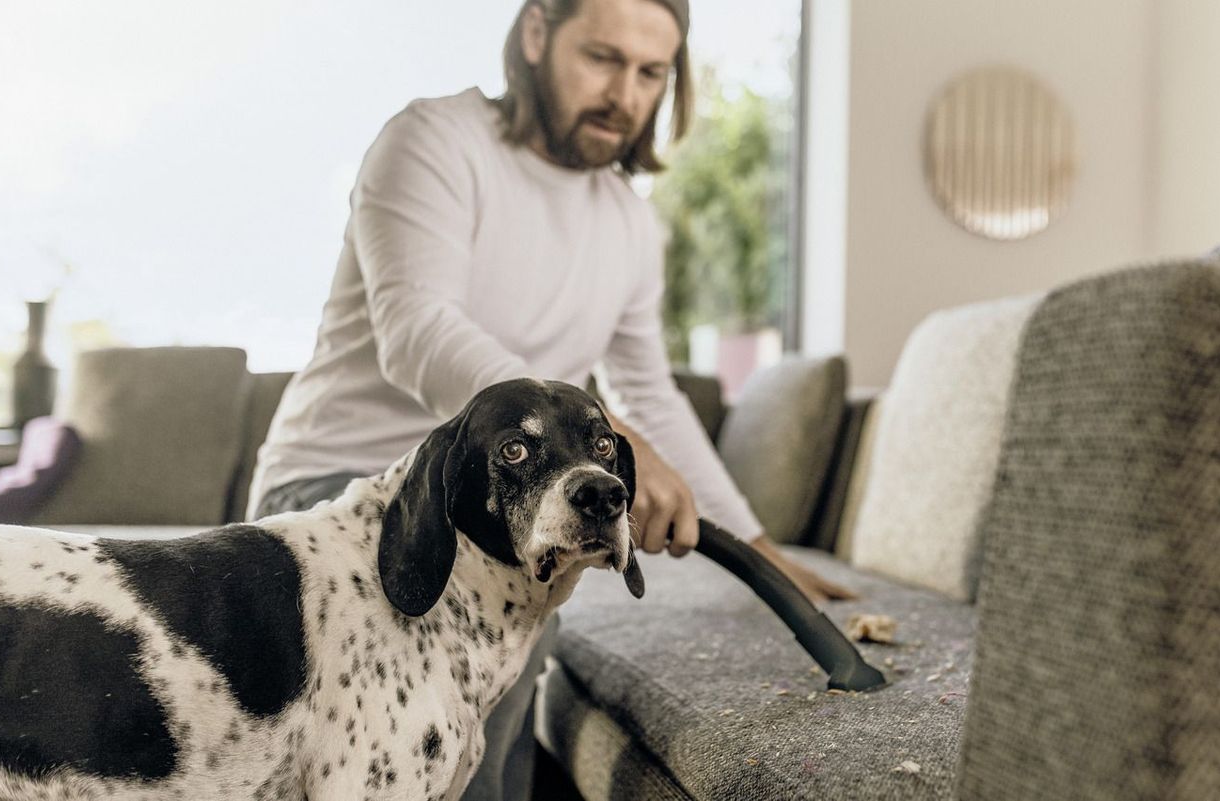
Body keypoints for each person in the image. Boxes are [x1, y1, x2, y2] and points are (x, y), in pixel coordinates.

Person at [248, 0, 852, 797]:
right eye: (603, 58)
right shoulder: (432, 141)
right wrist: (599, 438)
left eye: (652, 73)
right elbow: (417, 328)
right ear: (536, 34)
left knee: (489, 775)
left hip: (510, 515)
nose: (626, 95)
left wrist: (759, 548)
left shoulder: (629, 224)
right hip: (344, 489)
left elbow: (651, 393)